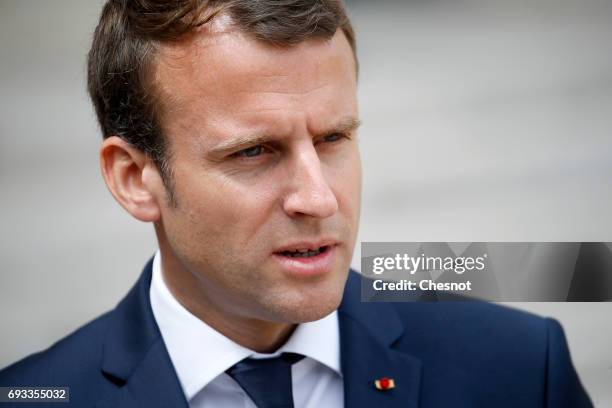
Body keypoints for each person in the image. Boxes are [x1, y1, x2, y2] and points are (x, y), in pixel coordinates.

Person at [0, 1, 593, 407]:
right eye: (254, 152)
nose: (318, 197)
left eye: (334, 138)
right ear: (134, 178)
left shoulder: (518, 368)